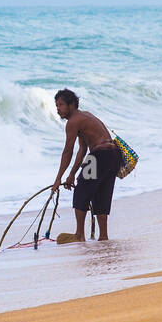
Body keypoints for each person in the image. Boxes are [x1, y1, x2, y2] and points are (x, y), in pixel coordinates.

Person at [50, 88, 119, 242]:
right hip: (114, 156)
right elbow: (82, 150)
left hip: (99, 156)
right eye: (56, 106)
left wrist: (57, 179)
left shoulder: (73, 121)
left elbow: (67, 152)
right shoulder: (84, 117)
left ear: (72, 104)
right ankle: (103, 236)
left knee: (81, 191)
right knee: (101, 194)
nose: (58, 110)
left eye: (60, 105)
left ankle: (79, 235)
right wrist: (71, 175)